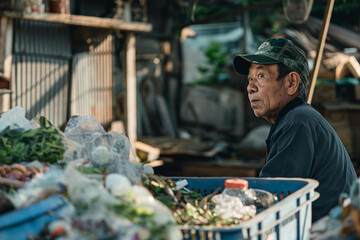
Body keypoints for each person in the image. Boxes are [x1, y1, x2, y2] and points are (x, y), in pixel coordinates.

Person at [233, 38, 357, 222]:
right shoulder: (295, 119)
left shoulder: (298, 122)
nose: (250, 87)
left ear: (291, 83)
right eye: (250, 79)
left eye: (260, 76)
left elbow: (272, 195)